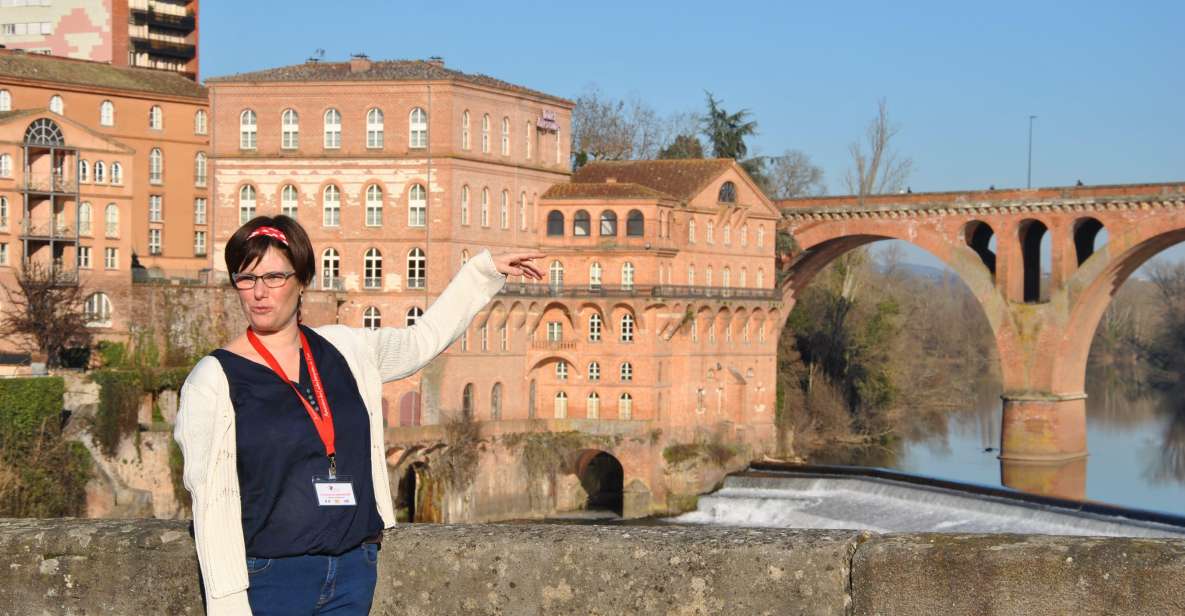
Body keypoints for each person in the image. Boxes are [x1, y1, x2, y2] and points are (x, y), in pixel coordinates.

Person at [174, 216, 544, 615]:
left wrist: (481, 274)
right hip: (272, 578)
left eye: (274, 277)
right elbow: (210, 499)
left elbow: (422, 340)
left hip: (352, 571)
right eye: (246, 279)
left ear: (302, 281)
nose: (259, 293)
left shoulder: (345, 350)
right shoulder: (213, 379)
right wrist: (228, 606)